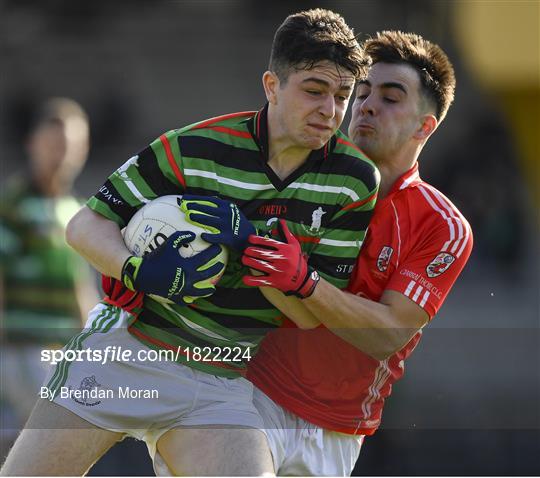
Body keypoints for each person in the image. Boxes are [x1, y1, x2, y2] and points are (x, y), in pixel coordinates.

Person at [0, 9, 379, 476]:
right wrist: (136, 270)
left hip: (223, 378)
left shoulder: (353, 181)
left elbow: (306, 317)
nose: (330, 111)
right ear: (272, 86)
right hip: (127, 353)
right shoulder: (195, 147)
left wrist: (259, 254)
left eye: (343, 95)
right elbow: (85, 226)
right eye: (315, 91)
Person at [242, 31, 474, 476]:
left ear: (425, 126)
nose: (366, 105)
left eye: (390, 97)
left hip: (339, 431)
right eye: (362, 92)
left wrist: (306, 285)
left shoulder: (443, 227)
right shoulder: (295, 167)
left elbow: (388, 333)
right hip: (253, 393)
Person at [0, 98, 98, 455]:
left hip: (61, 353)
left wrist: (94, 342)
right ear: (32, 144)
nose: (63, 155)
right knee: (55, 449)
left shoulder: (76, 210)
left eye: (72, 146)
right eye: (54, 144)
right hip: (22, 348)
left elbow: (79, 283)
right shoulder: (14, 205)